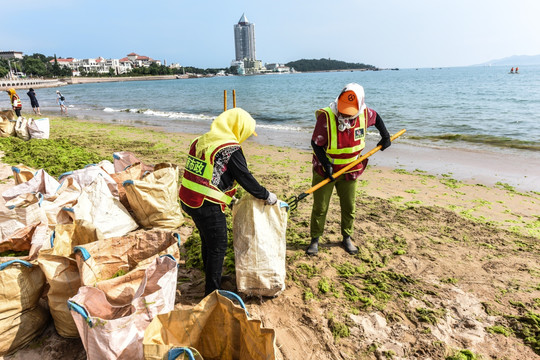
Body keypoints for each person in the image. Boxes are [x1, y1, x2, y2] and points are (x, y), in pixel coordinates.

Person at [179, 107, 278, 296]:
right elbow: (244, 177)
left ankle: (210, 276)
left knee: (208, 240)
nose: (244, 138)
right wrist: (266, 195)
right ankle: (212, 291)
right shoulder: (230, 148)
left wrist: (228, 197)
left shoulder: (203, 140)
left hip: (188, 199)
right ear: (238, 128)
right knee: (218, 245)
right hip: (205, 203)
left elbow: (207, 173)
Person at [306, 83, 392, 256]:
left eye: (349, 111)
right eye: (343, 109)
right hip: (325, 170)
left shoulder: (365, 114)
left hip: (351, 168)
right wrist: (326, 164)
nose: (344, 114)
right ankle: (315, 239)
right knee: (320, 207)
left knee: (349, 206)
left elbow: (377, 118)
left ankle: (346, 237)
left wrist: (386, 136)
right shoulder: (327, 116)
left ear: (359, 106)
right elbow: (315, 143)